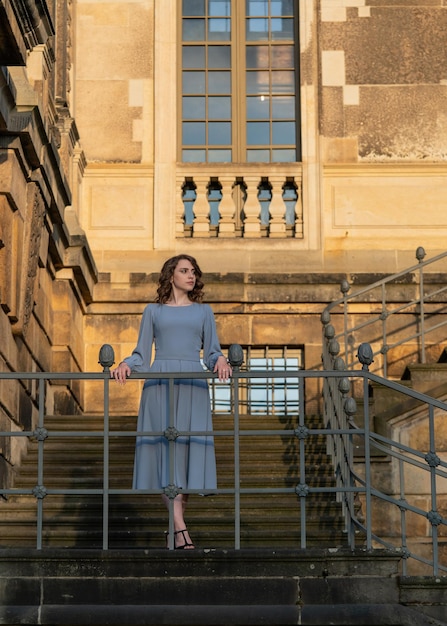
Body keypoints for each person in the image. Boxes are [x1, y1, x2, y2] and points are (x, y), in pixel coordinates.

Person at [110, 254, 231, 549]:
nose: (191, 276)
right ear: (171, 275)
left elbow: (212, 352)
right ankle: (180, 531)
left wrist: (222, 359)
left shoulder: (204, 312)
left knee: (186, 460)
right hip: (160, 382)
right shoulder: (153, 311)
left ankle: (175, 531)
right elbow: (141, 352)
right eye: (184, 271)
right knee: (165, 457)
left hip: (192, 382)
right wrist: (127, 363)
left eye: (193, 272)